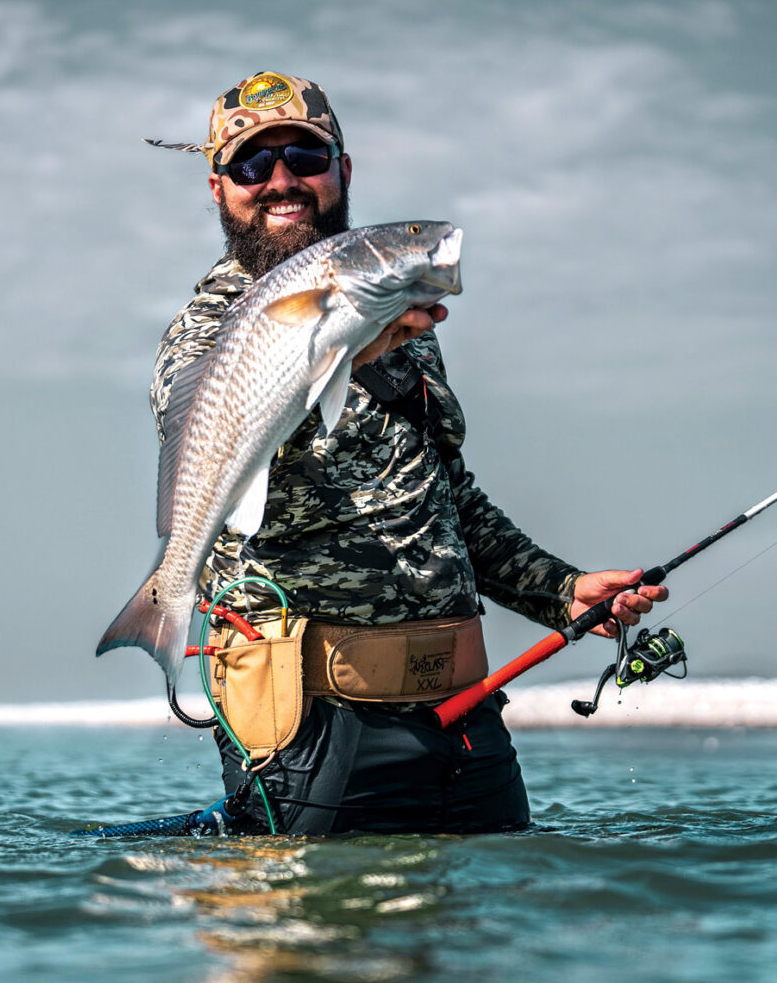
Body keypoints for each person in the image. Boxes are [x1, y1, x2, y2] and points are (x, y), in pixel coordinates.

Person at [146, 71, 667, 835]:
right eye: (254, 165)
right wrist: (334, 363)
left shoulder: (404, 329)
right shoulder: (206, 334)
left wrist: (563, 590)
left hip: (463, 720)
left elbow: (444, 499)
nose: (282, 181)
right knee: (306, 948)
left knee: (472, 949)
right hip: (309, 728)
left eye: (305, 156)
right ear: (220, 185)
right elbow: (231, 481)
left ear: (343, 171)